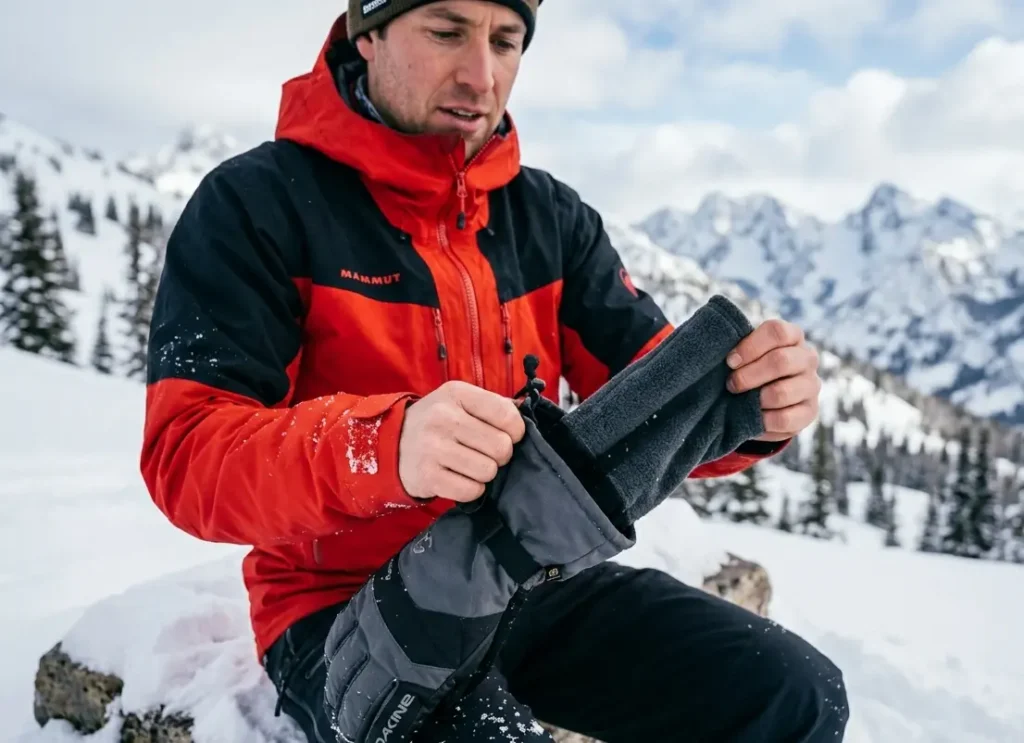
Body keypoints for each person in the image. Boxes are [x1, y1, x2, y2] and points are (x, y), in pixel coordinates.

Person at [140, 1, 849, 741]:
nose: (481, 75)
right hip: (342, 605)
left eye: (505, 41)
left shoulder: (548, 219)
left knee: (798, 696)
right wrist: (385, 447)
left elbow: (654, 401)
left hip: (528, 580)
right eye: (446, 32)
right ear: (367, 33)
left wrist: (751, 407)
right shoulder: (257, 205)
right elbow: (187, 455)